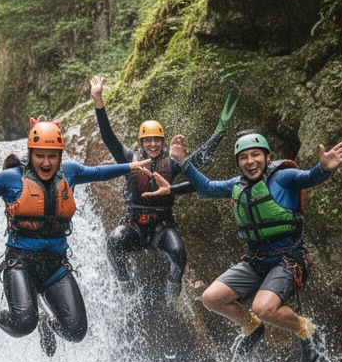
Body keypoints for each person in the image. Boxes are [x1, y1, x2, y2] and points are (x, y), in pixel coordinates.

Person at [0, 118, 152, 356]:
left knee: (75, 331)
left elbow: (99, 172)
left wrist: (131, 167)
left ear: (60, 156)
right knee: (23, 324)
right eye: (40, 155)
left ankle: (46, 321)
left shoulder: (70, 172)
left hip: (55, 266)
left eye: (52, 156)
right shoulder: (10, 178)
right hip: (21, 263)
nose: (46, 162)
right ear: (30, 153)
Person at [145, 131, 342, 362]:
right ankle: (252, 327)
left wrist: (323, 168)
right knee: (211, 298)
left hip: (288, 258)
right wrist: (183, 162)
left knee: (262, 308)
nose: (250, 161)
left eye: (256, 155)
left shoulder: (283, 177)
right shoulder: (237, 185)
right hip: (256, 259)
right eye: (243, 157)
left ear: (267, 157)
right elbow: (207, 188)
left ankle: (307, 330)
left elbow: (308, 177)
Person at [90, 76, 239, 303]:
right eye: (148, 140)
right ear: (141, 142)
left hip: (162, 228)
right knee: (114, 242)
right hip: (134, 227)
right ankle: (125, 282)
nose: (153, 144)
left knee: (179, 255)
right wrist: (98, 99)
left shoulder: (171, 163)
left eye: (157, 140)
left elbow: (201, 157)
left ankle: (172, 290)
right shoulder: (129, 159)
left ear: (163, 141)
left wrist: (220, 131)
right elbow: (108, 137)